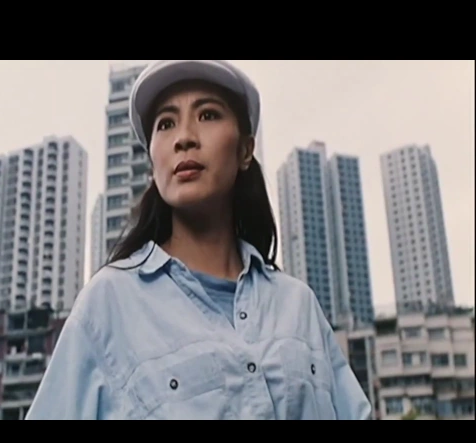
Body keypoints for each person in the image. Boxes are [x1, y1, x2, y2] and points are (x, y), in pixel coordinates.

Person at [26, 60, 372, 420]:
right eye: (166, 123)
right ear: (152, 162)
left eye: (207, 115)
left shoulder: (298, 305)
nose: (185, 137)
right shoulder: (109, 304)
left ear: (245, 150)